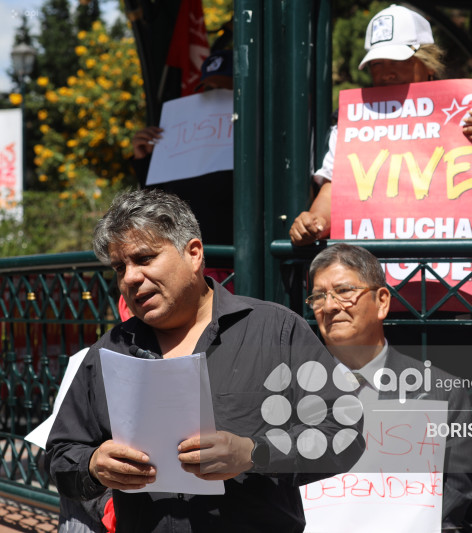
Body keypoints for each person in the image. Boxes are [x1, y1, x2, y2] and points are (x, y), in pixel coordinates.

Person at [46, 189, 365, 532]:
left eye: (144, 258)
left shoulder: (275, 330)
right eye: (120, 267)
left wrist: (253, 454)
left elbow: (343, 433)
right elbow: (61, 453)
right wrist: (94, 466)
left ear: (193, 253)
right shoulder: (109, 351)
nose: (130, 278)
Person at [290, 4, 472, 247]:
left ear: (429, 63)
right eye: (377, 64)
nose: (387, 73)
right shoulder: (352, 123)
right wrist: (315, 221)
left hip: (471, 273)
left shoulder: (471, 111)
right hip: (380, 274)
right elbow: (334, 189)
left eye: (398, 61)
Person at [307, 243, 472, 529]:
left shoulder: (440, 391)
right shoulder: (296, 392)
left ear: (382, 301)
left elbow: (455, 492)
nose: (331, 306)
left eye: (344, 291)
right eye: (319, 296)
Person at [132, 49, 235, 246]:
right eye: (208, 90)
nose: (214, 98)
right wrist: (145, 161)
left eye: (221, 90)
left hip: (233, 260)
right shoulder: (185, 146)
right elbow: (159, 205)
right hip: (195, 261)